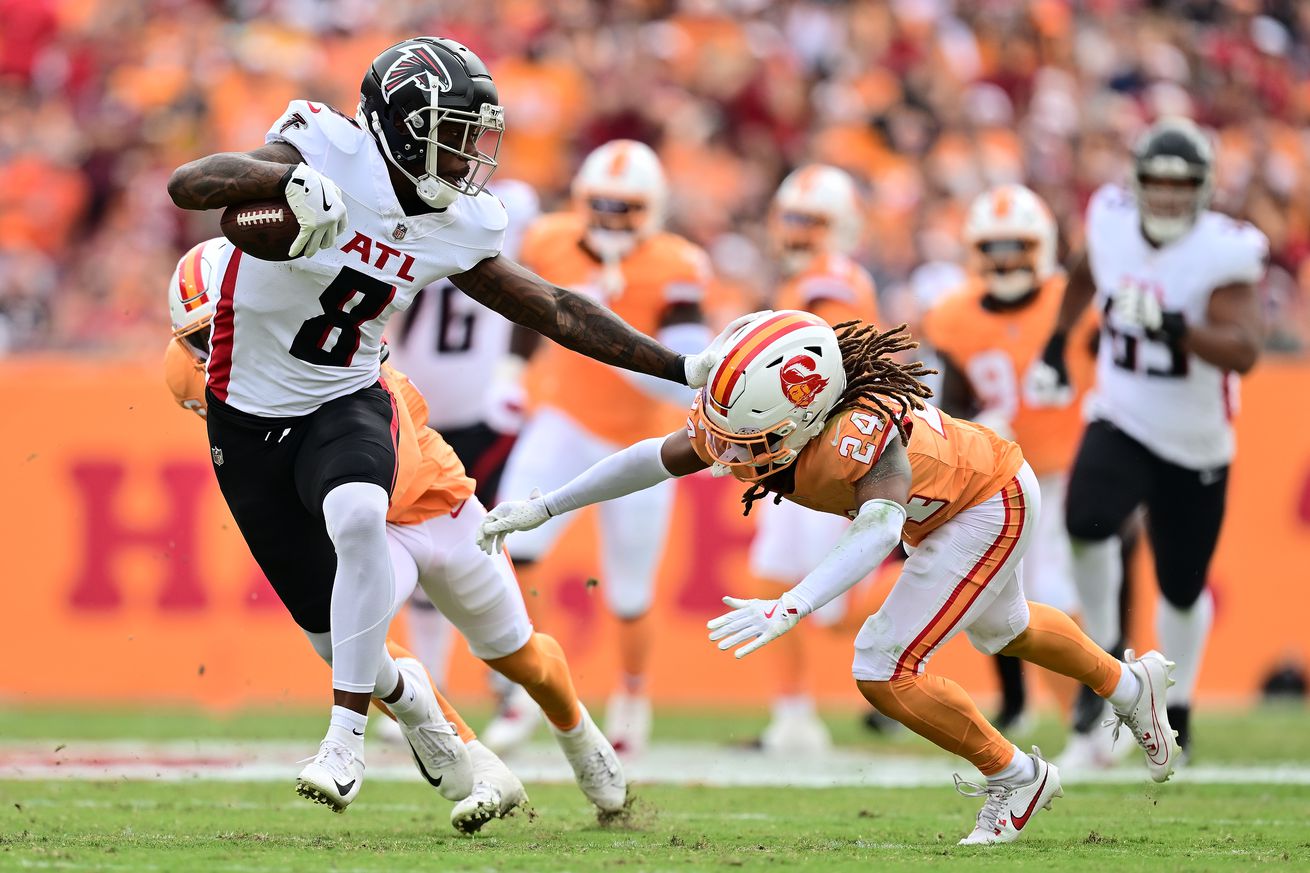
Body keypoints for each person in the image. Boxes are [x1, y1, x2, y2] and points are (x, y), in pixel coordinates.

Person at [166, 37, 732, 812]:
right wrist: (289, 181)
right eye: (456, 130)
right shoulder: (326, 147)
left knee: (359, 513)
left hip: (347, 394)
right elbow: (191, 184)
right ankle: (440, 733)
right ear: (399, 126)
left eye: (476, 133)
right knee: (340, 641)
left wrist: (681, 367)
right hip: (245, 417)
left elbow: (558, 309)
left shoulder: (458, 223)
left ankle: (344, 745)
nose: (471, 152)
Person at [478, 310, 1180, 845]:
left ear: (808, 408)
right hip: (954, 502)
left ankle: (1016, 777)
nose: (728, 455)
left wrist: (791, 604)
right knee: (1007, 629)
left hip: (984, 503)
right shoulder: (776, 408)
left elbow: (877, 530)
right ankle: (1129, 684)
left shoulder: (859, 430)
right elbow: (655, 455)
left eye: (746, 439)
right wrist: (545, 504)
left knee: (883, 664)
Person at [1030, 117, 1267, 764]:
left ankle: (1179, 708)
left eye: (1181, 184)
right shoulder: (1108, 217)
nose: (1165, 196)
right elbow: (1085, 270)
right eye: (1156, 182)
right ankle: (1106, 661)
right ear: (1136, 183)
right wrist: (1057, 341)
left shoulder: (1225, 249)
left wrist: (1172, 328)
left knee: (1180, 586)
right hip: (1122, 414)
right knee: (1084, 519)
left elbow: (1244, 349)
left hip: (1195, 442)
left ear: (1203, 188)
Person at [486, 140, 712, 756]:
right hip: (562, 420)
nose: (611, 219)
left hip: (641, 440)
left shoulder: (678, 264)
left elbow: (681, 365)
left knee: (631, 591)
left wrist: (605, 322)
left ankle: (633, 698)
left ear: (653, 209)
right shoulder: (550, 239)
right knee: (509, 545)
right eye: (601, 205)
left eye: (626, 208)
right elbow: (524, 314)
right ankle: (521, 690)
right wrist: (510, 372)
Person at [922, 184, 1096, 733]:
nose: (1005, 260)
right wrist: (976, 431)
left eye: (1016, 246)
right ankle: (1076, 713)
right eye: (993, 248)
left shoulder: (1072, 303)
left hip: (1073, 466)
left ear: (1041, 245)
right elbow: (951, 404)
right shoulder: (953, 315)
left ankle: (1089, 715)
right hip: (1005, 475)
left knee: (1058, 592)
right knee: (1000, 594)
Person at [384, 178, 540, 709]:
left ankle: (510, 682)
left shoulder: (504, 219)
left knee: (490, 544)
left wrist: (513, 376)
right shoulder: (408, 217)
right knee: (424, 545)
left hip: (480, 415)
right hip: (422, 415)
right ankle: (429, 684)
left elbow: (533, 306)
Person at [750, 165, 880, 753]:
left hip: (829, 450)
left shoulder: (827, 283)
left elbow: (826, 358)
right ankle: (793, 712)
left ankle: (925, 620)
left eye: (813, 222)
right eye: (792, 219)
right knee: (777, 574)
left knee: (832, 600)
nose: (798, 232)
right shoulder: (804, 280)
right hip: (798, 452)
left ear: (843, 228)